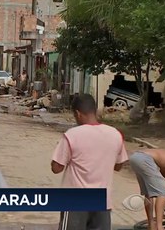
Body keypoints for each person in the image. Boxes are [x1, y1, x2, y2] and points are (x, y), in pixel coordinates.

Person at [51, 94, 128, 230]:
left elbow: (56, 168)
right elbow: (119, 166)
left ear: (77, 113)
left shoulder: (72, 135)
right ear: (95, 110)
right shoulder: (115, 134)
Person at [129, 149, 165, 230]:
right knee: (162, 193)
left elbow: (162, 177)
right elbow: (164, 194)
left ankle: (151, 225)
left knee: (149, 192)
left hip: (135, 157)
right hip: (145, 159)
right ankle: (159, 227)